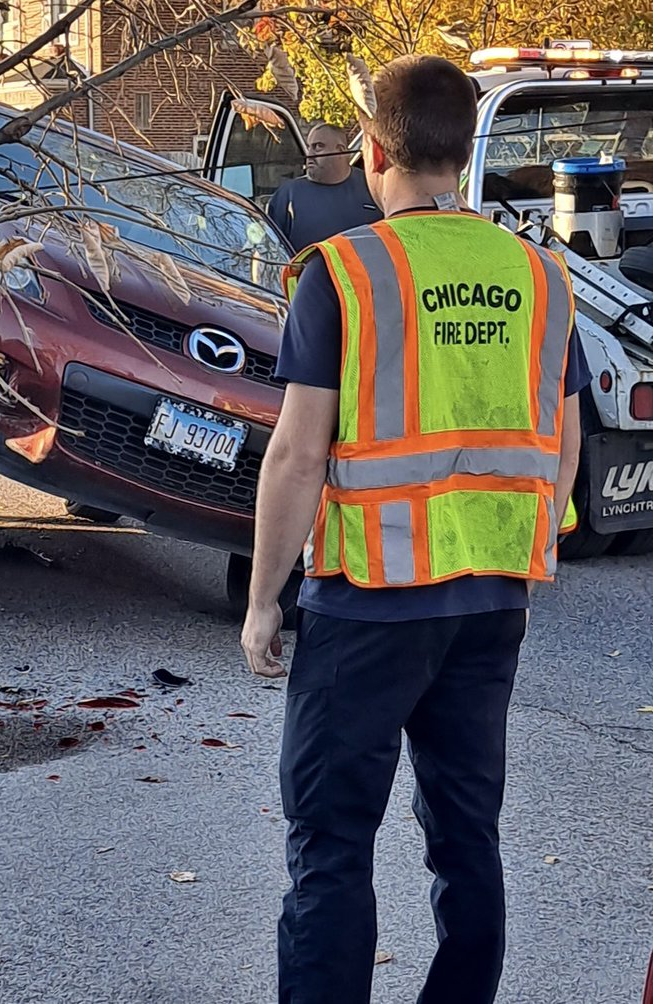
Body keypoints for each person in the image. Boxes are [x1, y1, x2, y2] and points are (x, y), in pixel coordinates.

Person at [241, 55, 590, 1004]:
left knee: (330, 845)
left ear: (374, 148)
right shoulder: (539, 274)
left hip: (368, 605)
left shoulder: (345, 274)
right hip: (490, 604)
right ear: (466, 150)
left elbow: (296, 456)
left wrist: (264, 599)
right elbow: (557, 447)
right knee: (468, 836)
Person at [266, 122, 382, 251]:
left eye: (318, 147)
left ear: (340, 150)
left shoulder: (372, 187)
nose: (309, 154)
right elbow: (270, 250)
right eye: (309, 147)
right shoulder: (288, 195)